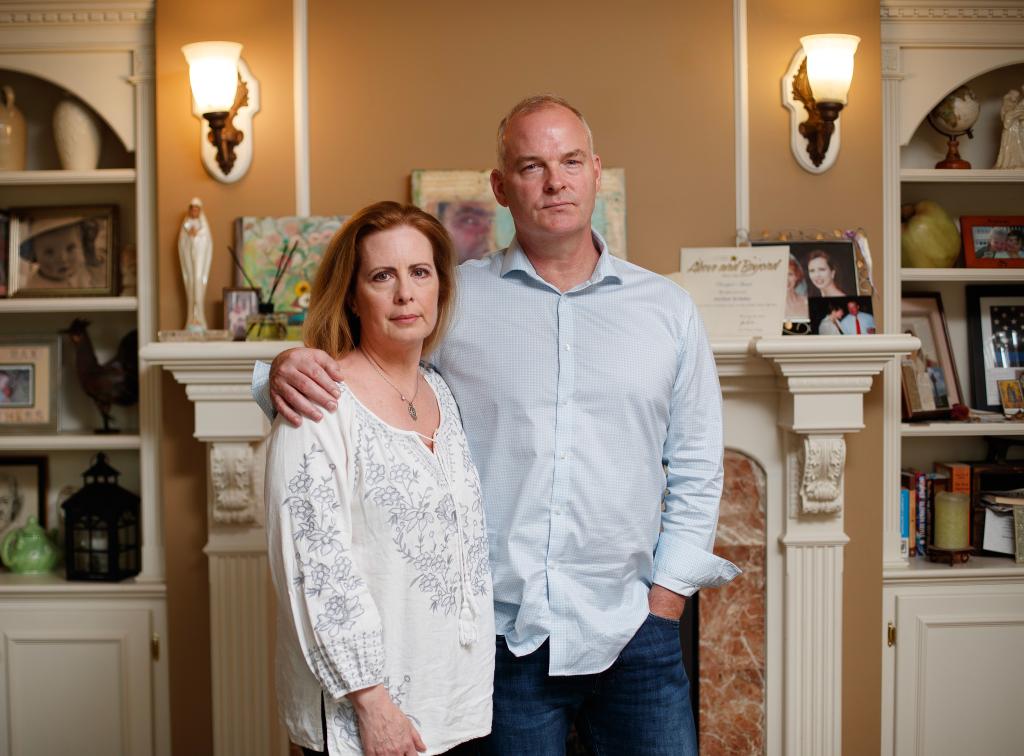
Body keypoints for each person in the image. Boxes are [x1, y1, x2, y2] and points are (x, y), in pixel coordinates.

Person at [257, 95, 738, 755]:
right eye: (532, 165)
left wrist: (667, 606)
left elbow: (697, 465)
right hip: (502, 645)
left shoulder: (669, 311)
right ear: (501, 187)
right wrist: (278, 369)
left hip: (634, 633)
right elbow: (368, 369)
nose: (555, 181)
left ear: (596, 171)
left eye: (571, 161)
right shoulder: (451, 301)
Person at [264, 202, 494, 756]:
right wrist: (372, 703)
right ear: (352, 293)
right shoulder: (319, 404)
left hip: (453, 705)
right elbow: (315, 569)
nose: (405, 294)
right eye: (382, 276)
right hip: (369, 715)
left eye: (420, 272)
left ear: (440, 285)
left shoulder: (441, 393)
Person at [18, 216, 102, 290]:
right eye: (49, 252)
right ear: (34, 253)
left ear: (80, 243)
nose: (63, 258)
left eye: (70, 248)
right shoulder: (34, 288)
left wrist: (92, 257)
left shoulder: (83, 269)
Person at [177, 197, 213, 332]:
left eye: (197, 209)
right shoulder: (185, 226)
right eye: (192, 209)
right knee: (191, 285)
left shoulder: (204, 227)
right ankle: (191, 319)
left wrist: (197, 236)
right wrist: (190, 236)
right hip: (189, 265)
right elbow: (182, 245)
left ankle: (200, 318)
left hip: (200, 264)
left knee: (198, 285)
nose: (194, 211)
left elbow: (207, 245)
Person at [995, 87, 1024, 169]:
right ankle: (1009, 163)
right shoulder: (1006, 106)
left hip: (1016, 130)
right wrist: (1016, 114)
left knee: (1017, 146)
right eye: (1015, 97)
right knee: (1009, 145)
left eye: (1017, 97)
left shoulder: (1017, 105)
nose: (1016, 99)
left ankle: (1017, 162)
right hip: (1010, 131)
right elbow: (1007, 120)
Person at [785, 254, 809, 321]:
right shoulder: (773, 305)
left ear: (797, 276)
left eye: (790, 274)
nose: (786, 279)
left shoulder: (806, 301)